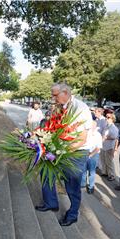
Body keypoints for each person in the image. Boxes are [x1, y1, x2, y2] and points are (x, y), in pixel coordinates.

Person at [35, 83, 93, 227]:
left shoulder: (80, 108)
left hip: (76, 152)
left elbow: (81, 139)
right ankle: (51, 203)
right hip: (60, 148)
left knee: (72, 184)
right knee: (46, 171)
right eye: (52, 95)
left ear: (65, 92)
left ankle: (73, 214)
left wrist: (59, 152)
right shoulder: (62, 107)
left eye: (55, 95)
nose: (52, 98)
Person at [81, 121, 103, 194]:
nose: (91, 127)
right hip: (85, 153)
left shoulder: (98, 135)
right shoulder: (86, 133)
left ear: (95, 126)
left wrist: (91, 155)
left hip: (94, 154)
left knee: (92, 171)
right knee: (83, 170)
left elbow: (98, 148)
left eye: (93, 125)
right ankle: (83, 184)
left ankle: (91, 186)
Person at [99, 112, 119, 181]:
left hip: (109, 147)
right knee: (103, 160)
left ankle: (112, 175)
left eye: (108, 117)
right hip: (104, 146)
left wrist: (106, 138)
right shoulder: (106, 126)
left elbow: (115, 137)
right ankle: (105, 172)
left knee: (109, 162)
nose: (106, 118)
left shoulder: (114, 128)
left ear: (112, 119)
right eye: (106, 117)